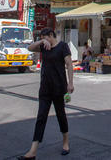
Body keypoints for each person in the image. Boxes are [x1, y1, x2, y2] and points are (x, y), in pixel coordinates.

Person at [18, 28, 74, 159]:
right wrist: (41, 41)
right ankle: (33, 151)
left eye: (45, 37)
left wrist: (70, 83)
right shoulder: (43, 46)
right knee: (41, 117)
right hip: (45, 88)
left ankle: (65, 142)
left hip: (59, 87)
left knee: (61, 115)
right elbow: (30, 48)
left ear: (51, 35)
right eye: (42, 38)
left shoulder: (63, 46)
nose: (44, 40)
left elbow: (69, 65)